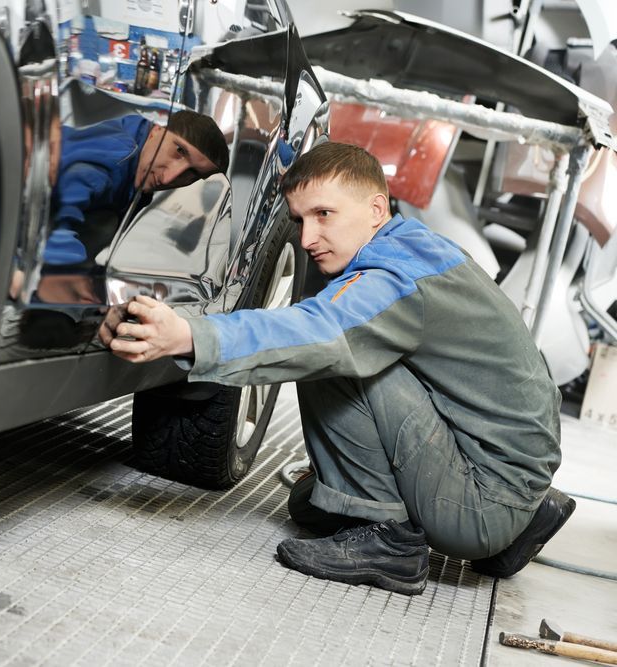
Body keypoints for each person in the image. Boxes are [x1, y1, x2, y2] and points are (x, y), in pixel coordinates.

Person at [99, 141, 575, 596]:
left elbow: (317, 331)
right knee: (309, 505)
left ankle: (386, 539)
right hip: (511, 471)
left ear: (375, 209)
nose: (306, 238)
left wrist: (186, 336)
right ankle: (530, 517)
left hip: (481, 498)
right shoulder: (416, 248)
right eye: (299, 219)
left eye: (324, 214)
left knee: (328, 350)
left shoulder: (394, 277)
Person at [43, 109, 229, 268]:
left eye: (193, 173)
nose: (168, 178)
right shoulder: (115, 157)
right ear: (157, 129)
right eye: (179, 151)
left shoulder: (139, 163)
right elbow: (48, 230)